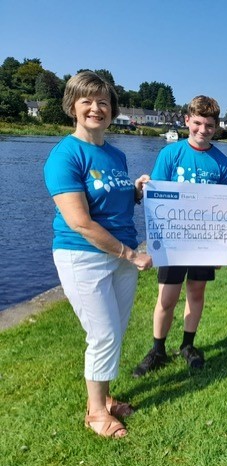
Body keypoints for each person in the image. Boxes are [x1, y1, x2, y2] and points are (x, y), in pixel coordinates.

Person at [43, 71, 153, 438]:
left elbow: (116, 201)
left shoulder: (116, 154)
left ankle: (105, 399)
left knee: (115, 332)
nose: (96, 108)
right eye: (87, 101)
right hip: (84, 256)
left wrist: (136, 191)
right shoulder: (65, 155)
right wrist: (130, 254)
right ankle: (96, 414)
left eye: (103, 102)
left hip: (121, 258)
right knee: (103, 334)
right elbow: (80, 223)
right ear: (72, 107)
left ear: (112, 110)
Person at [132, 95, 227, 377]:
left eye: (210, 125)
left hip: (203, 242)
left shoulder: (222, 162)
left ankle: (188, 345)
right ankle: (158, 349)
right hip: (173, 241)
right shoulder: (170, 154)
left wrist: (222, 249)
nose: (203, 130)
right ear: (187, 120)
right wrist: (143, 188)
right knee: (167, 297)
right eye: (198, 123)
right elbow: (155, 199)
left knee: (196, 292)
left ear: (216, 127)